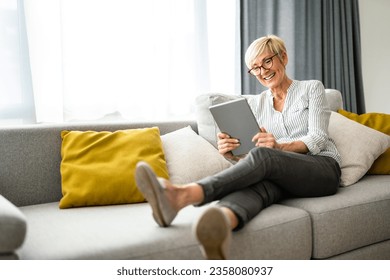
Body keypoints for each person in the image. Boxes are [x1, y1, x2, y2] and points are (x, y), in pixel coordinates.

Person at [135, 34, 341, 260]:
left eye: (267, 62)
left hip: (322, 169)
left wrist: (279, 148)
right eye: (255, 68)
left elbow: (319, 138)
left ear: (283, 57)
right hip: (282, 175)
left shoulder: (311, 88)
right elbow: (256, 158)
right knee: (258, 187)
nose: (262, 71)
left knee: (266, 156)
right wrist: (233, 154)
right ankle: (222, 224)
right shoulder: (256, 103)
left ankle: (185, 194)